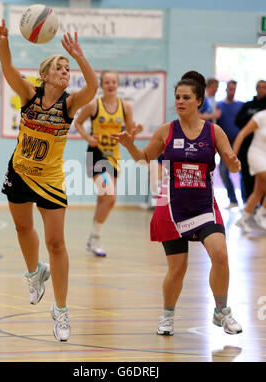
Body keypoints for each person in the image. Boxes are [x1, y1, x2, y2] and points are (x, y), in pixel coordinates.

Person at [0, 18, 98, 341]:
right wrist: (4, 38)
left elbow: (91, 88)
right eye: (61, 68)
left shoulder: (70, 103)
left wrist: (79, 56)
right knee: (23, 229)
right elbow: (6, 65)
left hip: (50, 180)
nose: (66, 72)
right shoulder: (29, 94)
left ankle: (62, 311)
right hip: (20, 172)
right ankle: (34, 273)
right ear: (46, 75)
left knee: (57, 243)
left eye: (68, 69)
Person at [113, 71, 242, 336]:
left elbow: (231, 163)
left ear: (198, 101)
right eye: (177, 97)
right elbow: (143, 158)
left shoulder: (213, 131)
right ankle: (167, 316)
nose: (180, 101)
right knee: (177, 269)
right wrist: (129, 145)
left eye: (186, 97)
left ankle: (222, 311)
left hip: (204, 205)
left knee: (220, 254)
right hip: (172, 207)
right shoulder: (166, 131)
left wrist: (233, 162)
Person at [74, 70, 143, 257]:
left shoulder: (125, 107)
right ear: (102, 85)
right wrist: (88, 137)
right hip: (96, 155)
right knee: (111, 197)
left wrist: (136, 130)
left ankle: (93, 239)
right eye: (107, 82)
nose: (111, 85)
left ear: (118, 84)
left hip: (114, 156)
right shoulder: (94, 105)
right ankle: (95, 238)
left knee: (103, 199)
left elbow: (129, 134)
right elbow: (78, 123)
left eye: (114, 82)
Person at [234, 109, 266, 232]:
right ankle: (261, 214)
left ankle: (243, 218)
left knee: (259, 191)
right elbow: (242, 134)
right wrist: (233, 155)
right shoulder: (261, 116)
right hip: (256, 155)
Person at [235, 80, 266, 201]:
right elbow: (239, 124)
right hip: (249, 148)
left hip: (263, 148)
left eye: (264, 87)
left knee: (259, 188)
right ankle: (248, 205)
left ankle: (254, 213)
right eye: (259, 87)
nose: (261, 89)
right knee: (247, 178)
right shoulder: (248, 106)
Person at [217, 80, 245, 207]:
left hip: (239, 142)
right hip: (224, 144)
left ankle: (246, 202)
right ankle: (233, 200)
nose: (231, 91)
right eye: (229, 88)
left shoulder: (241, 105)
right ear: (226, 89)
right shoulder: (219, 106)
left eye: (234, 89)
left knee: (242, 171)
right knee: (223, 171)